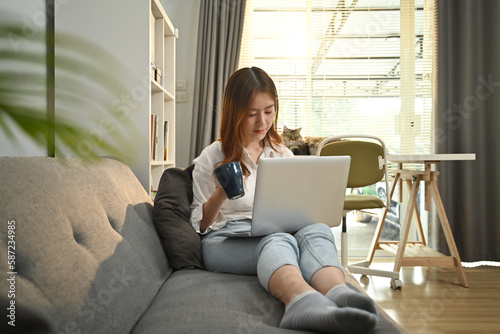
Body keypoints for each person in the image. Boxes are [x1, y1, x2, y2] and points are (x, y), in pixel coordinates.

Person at [190, 67, 378, 334]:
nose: (262, 122)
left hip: (277, 231)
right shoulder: (213, 155)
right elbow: (199, 225)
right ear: (234, 113)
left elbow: (300, 209)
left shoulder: (282, 154)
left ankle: (338, 294)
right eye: (251, 114)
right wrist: (220, 193)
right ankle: (300, 302)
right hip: (224, 240)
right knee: (278, 238)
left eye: (268, 111)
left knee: (317, 229)